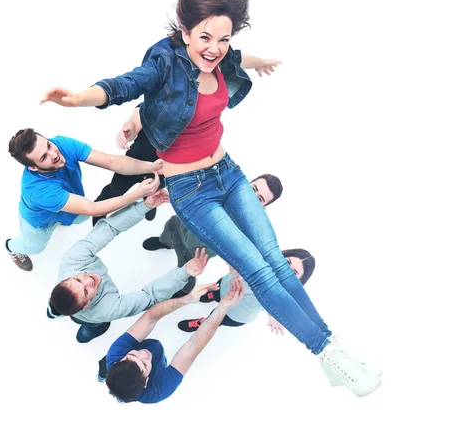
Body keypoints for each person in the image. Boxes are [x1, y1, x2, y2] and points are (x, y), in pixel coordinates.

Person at [40, 0, 381, 396]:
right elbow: (126, 84)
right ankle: (329, 354)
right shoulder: (164, 63)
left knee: (273, 258)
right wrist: (78, 99)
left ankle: (334, 353)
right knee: (257, 271)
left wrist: (261, 62)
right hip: (191, 190)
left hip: (228, 171)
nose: (214, 48)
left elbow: (236, 58)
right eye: (205, 37)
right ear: (184, 31)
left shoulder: (219, 56)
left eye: (223, 38)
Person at [47, 190, 210, 343]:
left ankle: (57, 311)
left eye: (78, 279)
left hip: (77, 300)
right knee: (94, 322)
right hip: (93, 315)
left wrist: (144, 206)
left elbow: (109, 227)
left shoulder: (72, 259)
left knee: (73, 306)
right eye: (85, 291)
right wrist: (184, 272)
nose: (88, 280)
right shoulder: (106, 310)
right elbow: (150, 295)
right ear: (87, 304)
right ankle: (94, 327)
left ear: (68, 277)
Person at [6, 128, 161, 271]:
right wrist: (137, 194)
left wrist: (150, 167)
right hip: (40, 223)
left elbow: (111, 162)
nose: (53, 154)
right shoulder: (38, 191)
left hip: (67, 204)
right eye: (43, 157)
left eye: (48, 145)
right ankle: (11, 247)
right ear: (33, 167)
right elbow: (92, 209)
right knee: (35, 247)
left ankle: (61, 218)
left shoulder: (61, 144)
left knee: (81, 218)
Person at [100, 277, 245, 404]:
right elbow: (192, 347)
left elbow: (150, 317)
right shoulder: (159, 389)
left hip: (121, 364)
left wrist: (188, 299)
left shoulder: (115, 354)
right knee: (123, 390)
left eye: (132, 355)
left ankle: (108, 375)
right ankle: (121, 393)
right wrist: (222, 309)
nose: (143, 353)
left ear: (120, 360)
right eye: (144, 364)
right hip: (146, 374)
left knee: (108, 365)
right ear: (145, 382)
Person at [142, 168, 283, 293]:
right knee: (168, 231)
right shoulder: (219, 185)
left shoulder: (248, 231)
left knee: (186, 275)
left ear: (262, 208)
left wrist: (238, 269)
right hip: (177, 225)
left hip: (191, 254)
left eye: (259, 199)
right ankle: (166, 243)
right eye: (253, 189)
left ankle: (186, 288)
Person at [177, 248, 313, 332]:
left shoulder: (283, 294)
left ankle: (202, 322)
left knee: (214, 318)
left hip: (235, 313)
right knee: (216, 292)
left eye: (294, 272)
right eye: (287, 262)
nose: (285, 269)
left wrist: (274, 316)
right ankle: (213, 296)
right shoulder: (261, 259)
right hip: (224, 286)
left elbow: (276, 307)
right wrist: (234, 266)